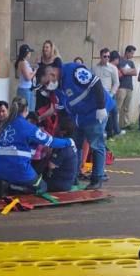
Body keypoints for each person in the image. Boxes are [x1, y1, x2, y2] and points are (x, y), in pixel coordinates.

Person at [38, 59, 115, 190]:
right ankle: (73, 176)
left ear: (52, 75)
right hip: (79, 118)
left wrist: (101, 107)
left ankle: (97, 179)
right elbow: (61, 107)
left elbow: (96, 83)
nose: (46, 87)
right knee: (75, 145)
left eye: (46, 83)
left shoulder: (75, 72)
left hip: (95, 113)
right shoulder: (57, 86)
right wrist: (61, 127)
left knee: (96, 145)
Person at [0, 96, 75, 195]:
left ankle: (5, 183)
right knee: (42, 186)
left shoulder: (2, 126)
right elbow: (50, 141)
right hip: (18, 169)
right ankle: (10, 188)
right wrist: (69, 141)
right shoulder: (29, 128)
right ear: (26, 109)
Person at [43, 115, 79, 192]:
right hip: (66, 182)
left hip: (59, 184)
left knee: (35, 180)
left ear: (63, 132)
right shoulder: (70, 143)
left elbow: (51, 165)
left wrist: (48, 154)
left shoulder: (63, 147)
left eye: (57, 128)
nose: (55, 129)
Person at [92, 48, 120, 139]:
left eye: (108, 56)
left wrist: (111, 95)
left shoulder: (113, 68)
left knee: (107, 114)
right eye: (105, 56)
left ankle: (107, 134)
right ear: (100, 56)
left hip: (107, 93)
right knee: (97, 114)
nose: (107, 58)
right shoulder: (94, 67)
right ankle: (99, 133)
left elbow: (116, 83)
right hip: (96, 94)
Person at [35, 40, 63, 112]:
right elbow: (37, 73)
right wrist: (36, 64)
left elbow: (58, 75)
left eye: (47, 47)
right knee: (40, 108)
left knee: (52, 108)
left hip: (52, 88)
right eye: (44, 47)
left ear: (51, 48)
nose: (45, 49)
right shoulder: (40, 60)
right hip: (42, 89)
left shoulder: (57, 60)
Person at [116, 45, 137, 130]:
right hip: (122, 86)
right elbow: (123, 72)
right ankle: (116, 124)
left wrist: (128, 71)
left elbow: (135, 72)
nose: (132, 55)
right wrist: (131, 70)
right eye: (131, 53)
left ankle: (126, 123)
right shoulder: (120, 61)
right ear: (127, 52)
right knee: (118, 106)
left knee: (126, 107)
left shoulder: (131, 62)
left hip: (129, 86)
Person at [14, 44, 37, 112]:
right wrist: (34, 72)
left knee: (31, 111)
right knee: (25, 111)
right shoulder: (22, 63)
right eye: (29, 52)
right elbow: (28, 78)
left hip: (28, 88)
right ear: (26, 53)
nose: (30, 53)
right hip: (25, 89)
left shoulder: (25, 62)